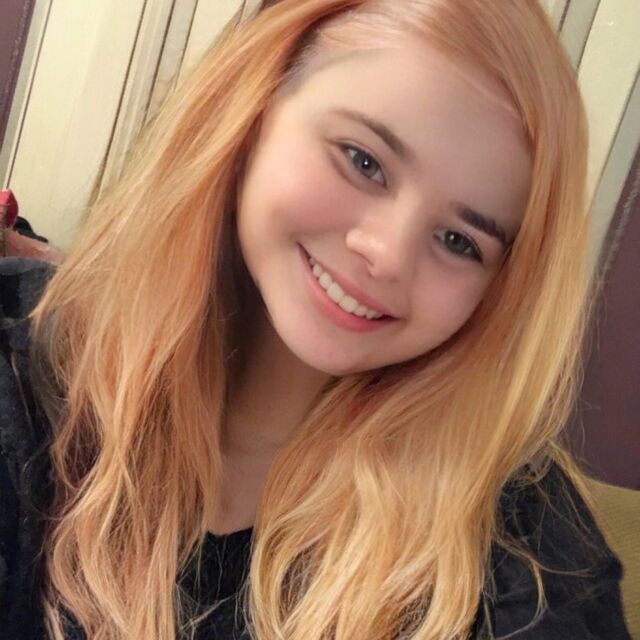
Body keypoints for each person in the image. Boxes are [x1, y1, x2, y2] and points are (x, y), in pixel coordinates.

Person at [0, 0, 633, 638]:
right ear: (253, 107)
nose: (387, 256)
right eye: (364, 161)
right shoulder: (26, 371)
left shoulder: (530, 560)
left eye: (459, 241)